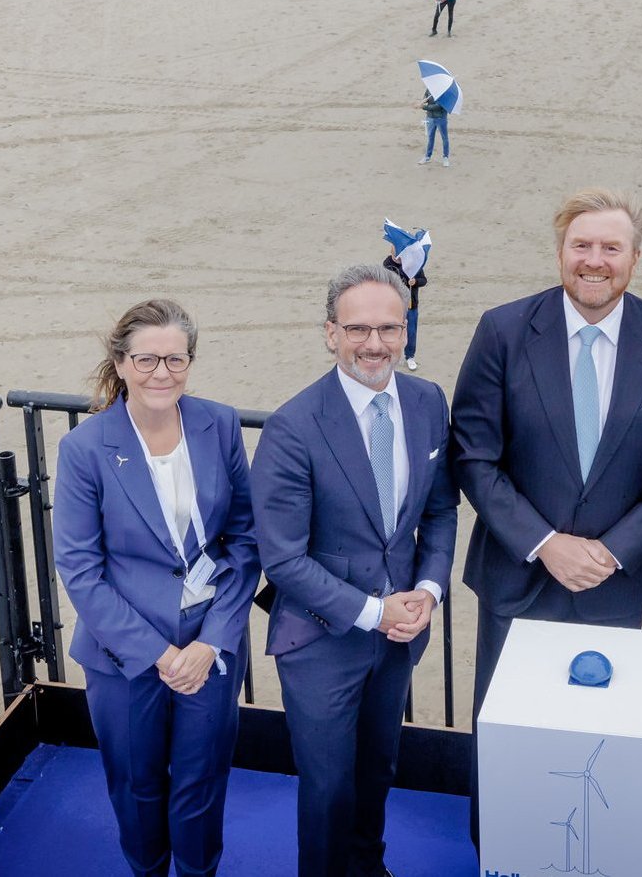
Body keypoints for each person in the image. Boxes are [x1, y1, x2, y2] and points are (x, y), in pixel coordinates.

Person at [450, 187, 642, 830]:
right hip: (518, 578)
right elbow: (474, 457)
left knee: (601, 739)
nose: (595, 260)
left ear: (635, 258)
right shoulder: (503, 330)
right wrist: (546, 543)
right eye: (582, 245)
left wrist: (613, 550)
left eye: (611, 247)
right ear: (560, 251)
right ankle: (503, 850)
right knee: (511, 733)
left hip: (616, 585)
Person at [249, 265, 460, 877]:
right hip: (321, 641)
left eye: (389, 328)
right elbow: (283, 557)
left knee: (378, 769)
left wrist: (427, 589)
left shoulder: (427, 402)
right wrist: (374, 611)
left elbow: (441, 509)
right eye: (358, 328)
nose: (374, 343)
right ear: (330, 333)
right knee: (328, 786)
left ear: (406, 331)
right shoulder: (293, 426)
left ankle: (370, 867)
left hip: (397, 638)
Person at [52, 299, 260, 877]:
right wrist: (162, 654)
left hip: (208, 647)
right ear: (120, 363)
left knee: (202, 781)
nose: (161, 373)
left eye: (175, 359)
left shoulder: (218, 424)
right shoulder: (85, 449)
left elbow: (244, 541)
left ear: (191, 362)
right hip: (125, 658)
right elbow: (80, 570)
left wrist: (212, 640)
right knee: (138, 787)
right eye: (146, 359)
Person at [382, 251, 428, 372]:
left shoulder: (414, 263)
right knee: (390, 331)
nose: (395, 255)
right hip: (393, 305)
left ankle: (410, 357)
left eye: (397, 253)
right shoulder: (387, 263)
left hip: (411, 304)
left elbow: (423, 280)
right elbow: (386, 281)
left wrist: (415, 282)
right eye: (393, 252)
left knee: (411, 331)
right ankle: (389, 355)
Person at [417, 93, 450, 167]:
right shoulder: (430, 87)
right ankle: (427, 157)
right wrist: (424, 100)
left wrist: (423, 107)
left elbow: (438, 106)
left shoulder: (444, 91)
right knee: (430, 138)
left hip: (441, 118)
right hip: (430, 118)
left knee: (444, 138)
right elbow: (425, 96)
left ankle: (445, 157)